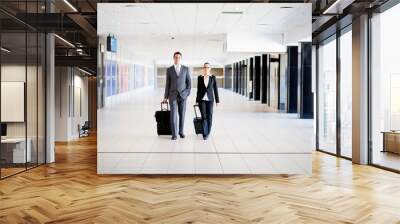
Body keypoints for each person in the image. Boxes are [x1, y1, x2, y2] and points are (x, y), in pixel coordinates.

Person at [163, 51, 192, 140]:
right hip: (173, 96)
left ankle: (181, 132)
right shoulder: (169, 69)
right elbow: (167, 83)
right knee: (173, 115)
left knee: (182, 115)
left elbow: (189, 83)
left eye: (179, 57)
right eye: (176, 57)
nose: (177, 58)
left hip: (183, 96)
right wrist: (165, 96)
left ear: (181, 58)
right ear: (173, 58)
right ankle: (174, 134)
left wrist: (186, 93)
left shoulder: (186, 69)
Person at [196, 62, 220, 140]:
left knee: (209, 116)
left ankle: (208, 131)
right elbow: (198, 89)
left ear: (210, 68)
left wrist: (217, 100)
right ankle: (205, 133)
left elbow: (215, 89)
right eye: (205, 67)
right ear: (203, 68)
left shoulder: (213, 77)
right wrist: (197, 100)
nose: (206, 68)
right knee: (204, 116)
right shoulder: (200, 77)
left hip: (210, 100)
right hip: (201, 99)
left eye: (208, 67)